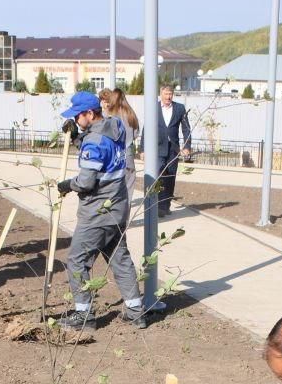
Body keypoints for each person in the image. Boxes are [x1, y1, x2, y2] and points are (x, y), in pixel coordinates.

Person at [55, 91, 147, 331]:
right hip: (116, 208)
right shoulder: (114, 128)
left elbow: (86, 181)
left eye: (77, 116)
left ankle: (83, 315)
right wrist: (77, 138)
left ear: (89, 113)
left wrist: (68, 185)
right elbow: (101, 157)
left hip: (96, 213)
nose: (76, 120)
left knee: (77, 261)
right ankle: (136, 311)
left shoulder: (93, 142)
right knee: (120, 259)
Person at [141, 84, 191, 217]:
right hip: (157, 148)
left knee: (170, 178)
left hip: (173, 149)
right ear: (161, 94)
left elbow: (186, 129)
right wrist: (143, 149)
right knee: (157, 175)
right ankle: (157, 205)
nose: (168, 97)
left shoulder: (180, 108)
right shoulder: (153, 108)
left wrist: (186, 146)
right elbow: (146, 129)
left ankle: (165, 205)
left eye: (170, 94)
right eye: (166, 94)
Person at [100, 87, 140, 207]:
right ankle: (124, 221)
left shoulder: (107, 115)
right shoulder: (131, 115)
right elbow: (136, 133)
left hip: (111, 159)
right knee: (128, 190)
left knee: (110, 193)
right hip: (128, 158)